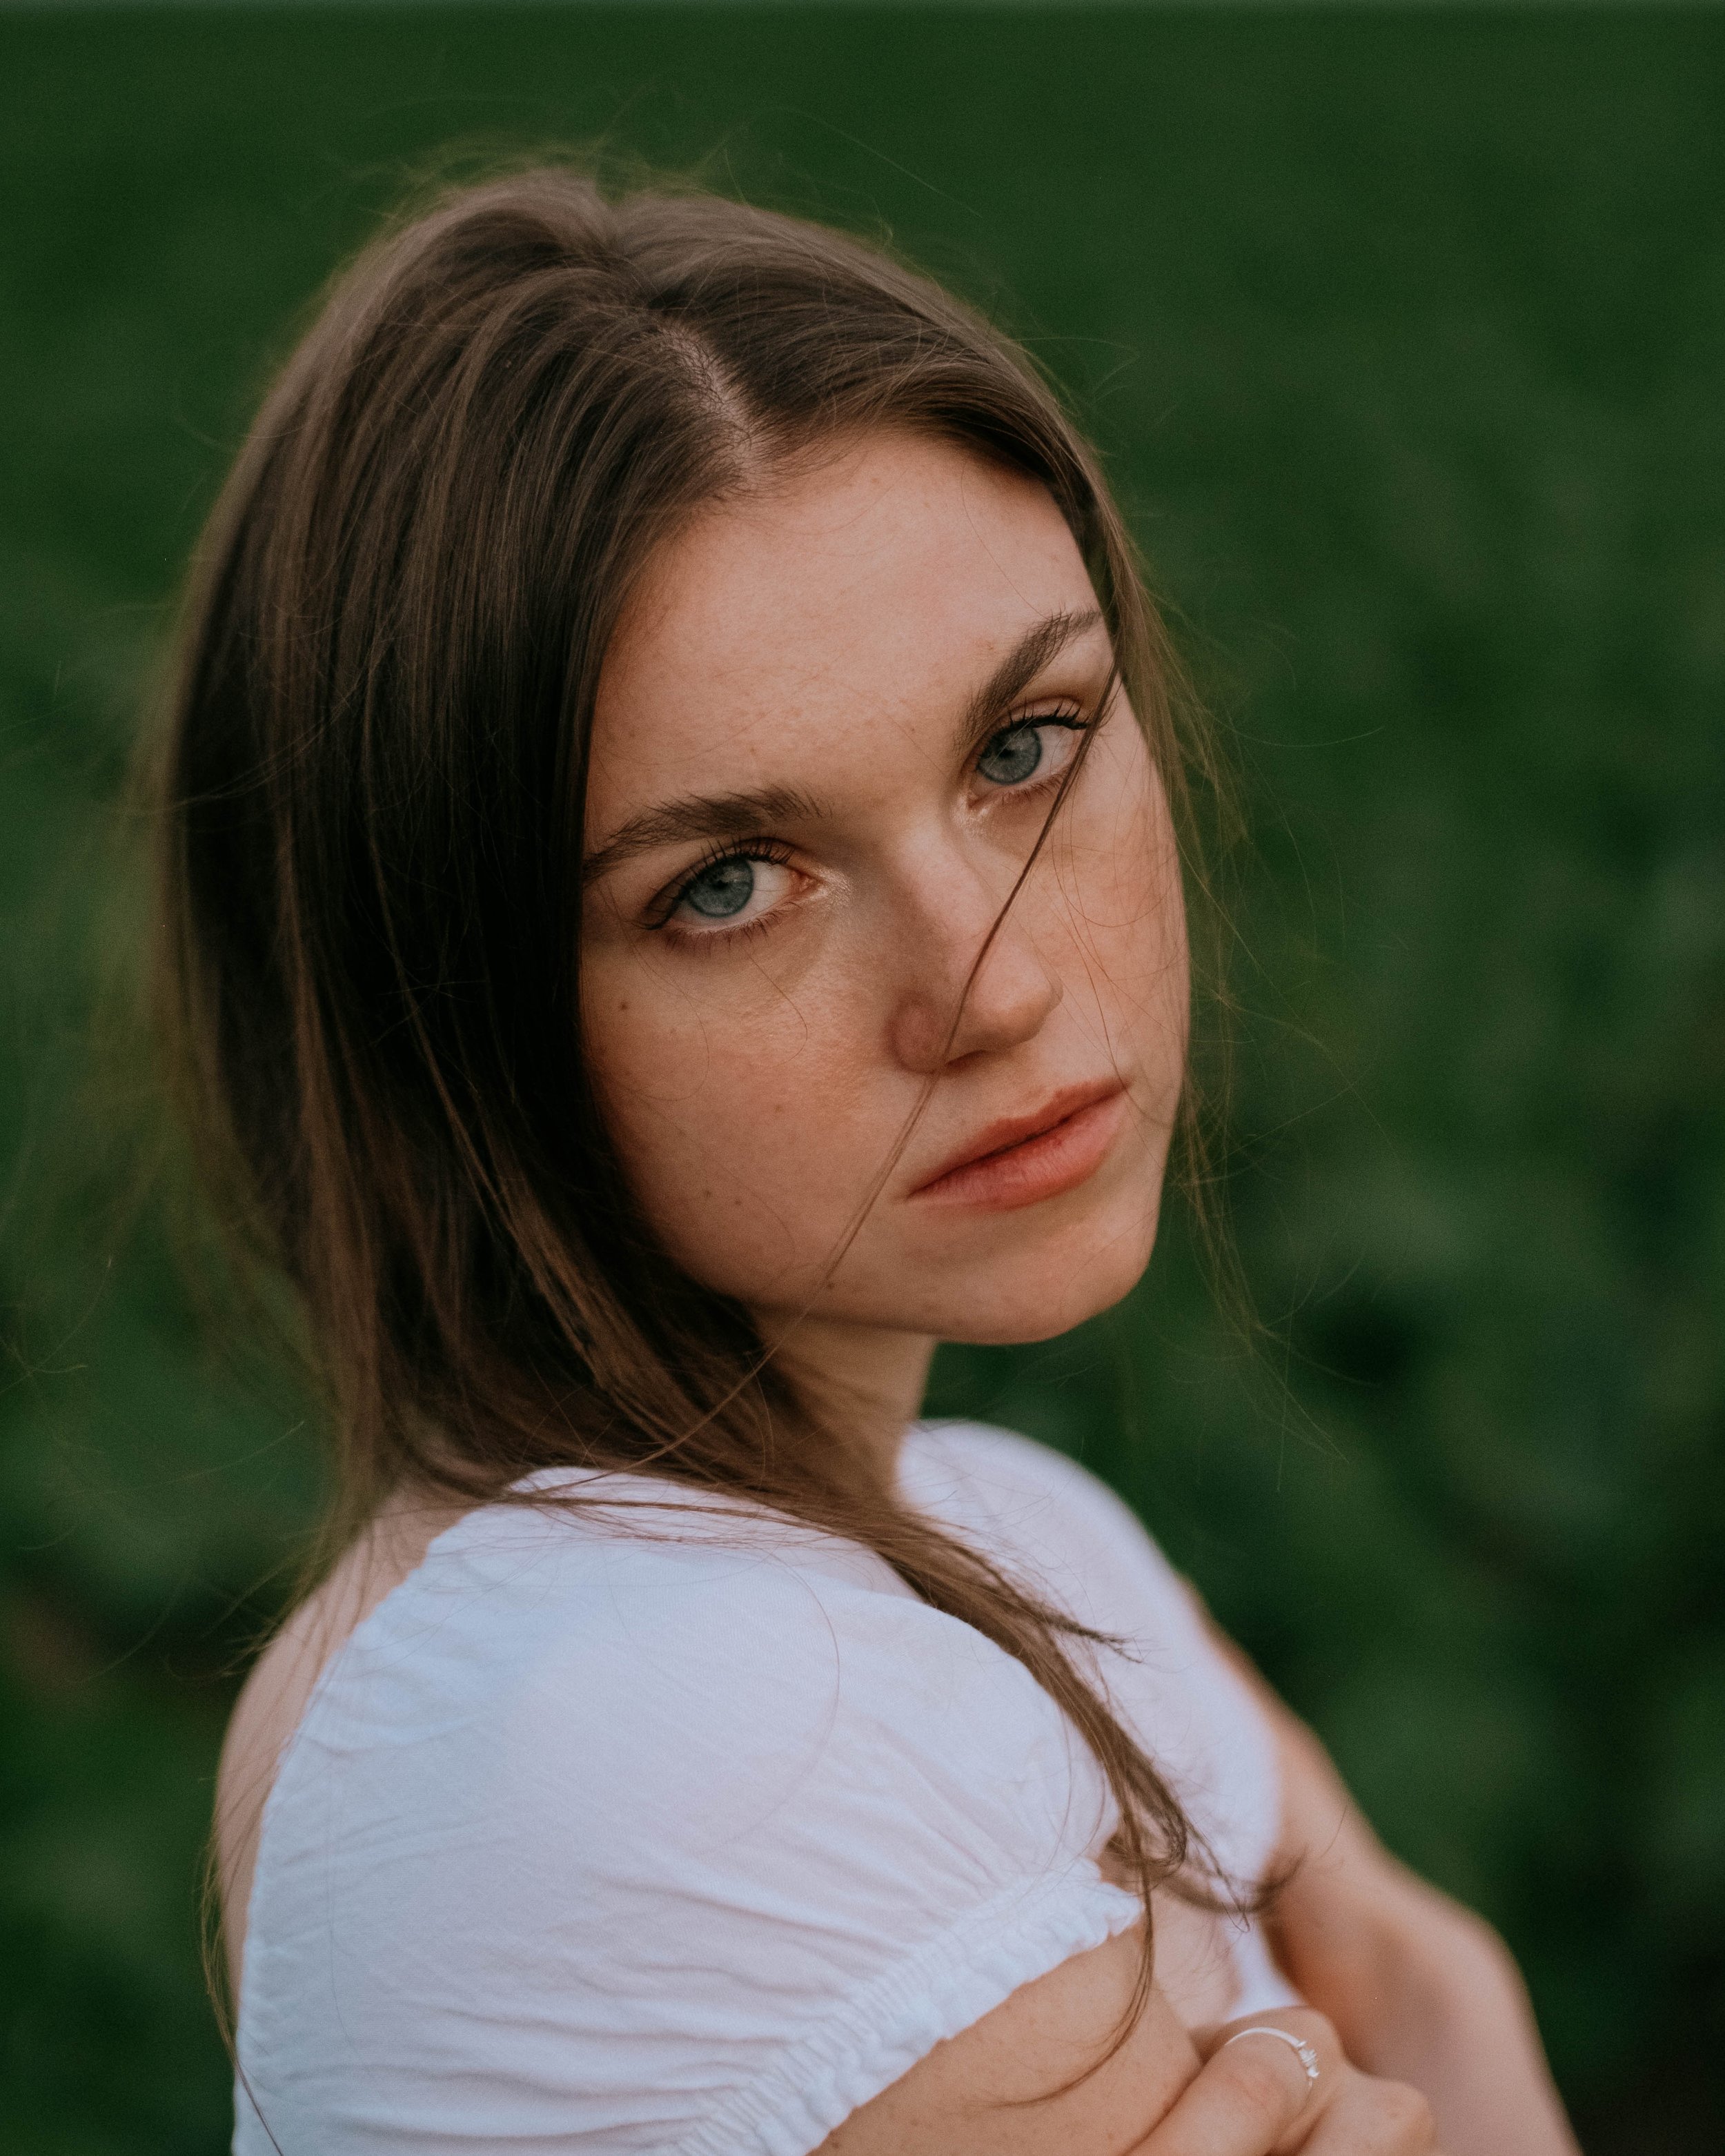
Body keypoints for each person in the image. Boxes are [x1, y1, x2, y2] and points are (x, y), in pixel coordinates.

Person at [150, 170, 1579, 2155]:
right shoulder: (670, 1732)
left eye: (1024, 746)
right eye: (728, 883)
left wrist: (1458, 2020)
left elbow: (1421, 1990)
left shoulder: (1012, 1536)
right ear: (447, 1018)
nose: (981, 985)